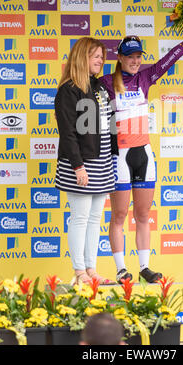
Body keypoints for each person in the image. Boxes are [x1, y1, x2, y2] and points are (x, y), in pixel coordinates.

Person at [100, 17, 183, 283]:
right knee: (120, 215)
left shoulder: (146, 77)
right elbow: (77, 89)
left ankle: (145, 267)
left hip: (144, 154)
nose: (135, 61)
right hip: (120, 156)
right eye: (130, 57)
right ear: (120, 58)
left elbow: (170, 58)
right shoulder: (105, 82)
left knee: (144, 215)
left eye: (138, 56)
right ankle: (121, 269)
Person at [55, 37, 117, 285]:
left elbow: (108, 125)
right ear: (82, 57)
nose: (101, 61)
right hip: (80, 164)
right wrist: (78, 166)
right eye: (96, 56)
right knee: (80, 217)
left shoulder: (99, 87)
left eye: (102, 57)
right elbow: (68, 132)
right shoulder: (68, 90)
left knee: (95, 219)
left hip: (102, 162)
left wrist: (111, 158)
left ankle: (91, 269)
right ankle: (79, 270)